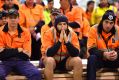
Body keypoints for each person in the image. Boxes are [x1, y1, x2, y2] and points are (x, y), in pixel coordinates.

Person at [0, 9, 42, 80]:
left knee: (36, 74)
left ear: (18, 19)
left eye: (15, 17)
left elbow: (27, 54)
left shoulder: (25, 32)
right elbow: (1, 54)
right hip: (5, 62)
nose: (13, 20)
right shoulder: (0, 31)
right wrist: (18, 50)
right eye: (10, 18)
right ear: (7, 19)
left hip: (22, 62)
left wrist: (7, 51)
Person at [42, 15, 82, 80]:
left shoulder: (72, 34)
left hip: (65, 61)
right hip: (52, 60)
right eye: (60, 24)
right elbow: (49, 53)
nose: (62, 26)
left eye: (64, 24)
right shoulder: (48, 33)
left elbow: (76, 53)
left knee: (78, 61)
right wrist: (60, 41)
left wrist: (67, 42)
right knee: (49, 60)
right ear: (56, 25)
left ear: (67, 25)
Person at [87, 10, 119, 80]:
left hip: (114, 60)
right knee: (92, 58)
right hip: (100, 59)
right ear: (102, 21)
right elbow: (91, 50)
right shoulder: (93, 29)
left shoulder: (118, 30)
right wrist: (104, 54)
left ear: (114, 23)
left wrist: (117, 54)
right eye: (106, 22)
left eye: (111, 23)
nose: (108, 25)